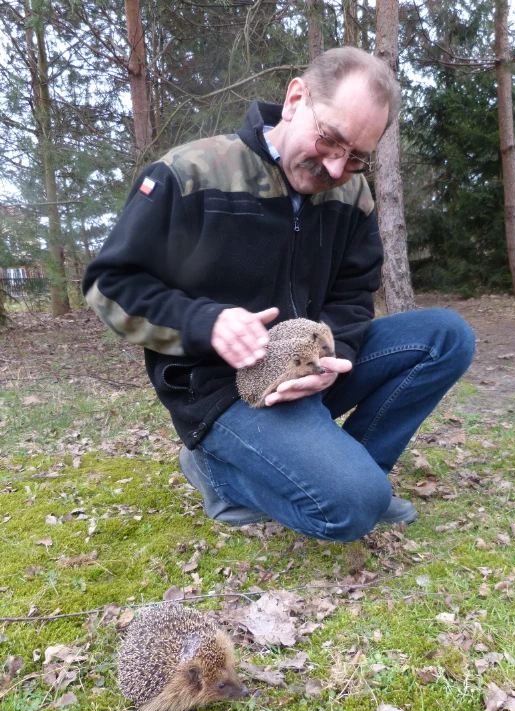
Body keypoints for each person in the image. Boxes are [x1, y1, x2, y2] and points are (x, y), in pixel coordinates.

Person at [83, 47, 475, 542]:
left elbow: (354, 293)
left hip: (306, 365)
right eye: (330, 140)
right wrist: (207, 322)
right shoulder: (190, 174)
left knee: (446, 336)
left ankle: (359, 474)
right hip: (222, 391)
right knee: (350, 511)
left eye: (356, 157)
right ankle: (218, 472)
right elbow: (110, 284)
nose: (336, 168)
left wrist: (332, 358)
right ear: (295, 99)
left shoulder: (353, 196)